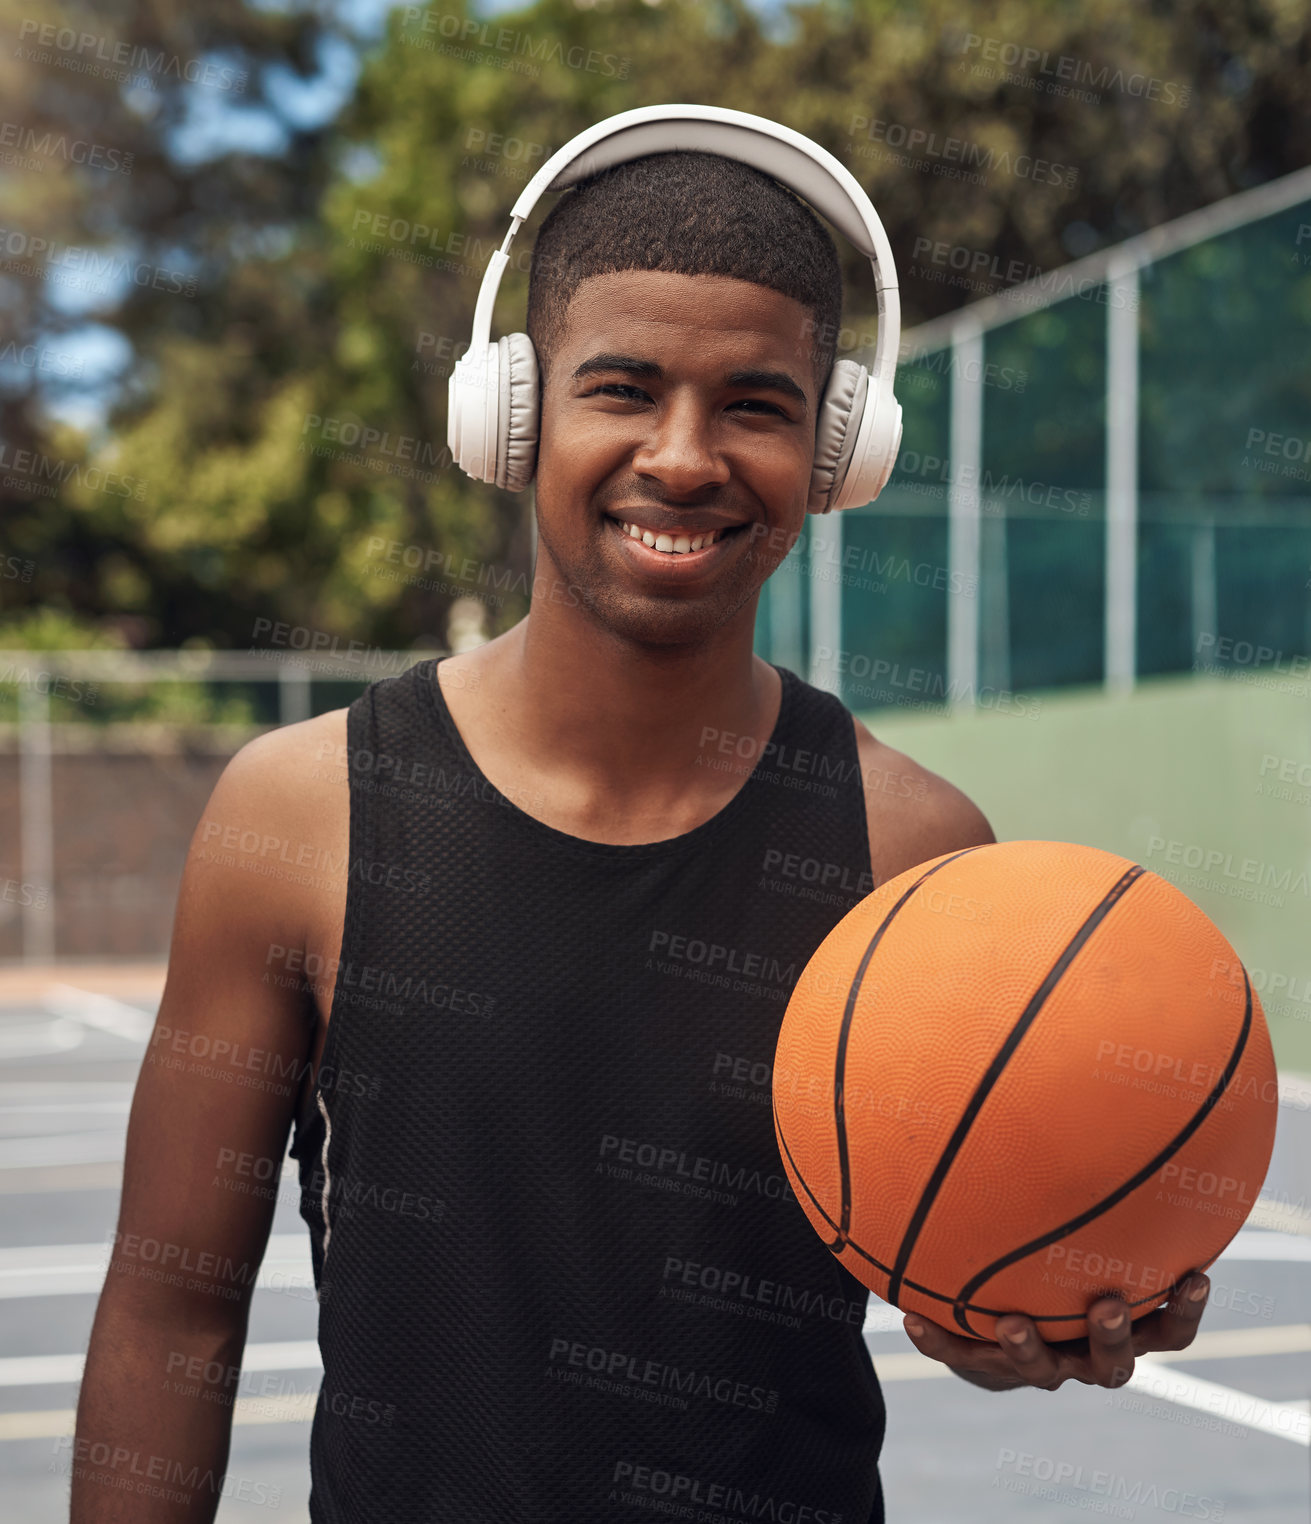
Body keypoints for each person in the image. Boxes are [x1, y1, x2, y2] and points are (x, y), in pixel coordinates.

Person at [73, 141, 1210, 1523]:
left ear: (835, 453)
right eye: (621, 390)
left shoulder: (911, 847)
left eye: (756, 405)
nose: (683, 457)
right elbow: (173, 1315)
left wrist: (1010, 1310)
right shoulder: (301, 813)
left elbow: (940, 1273)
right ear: (513, 413)